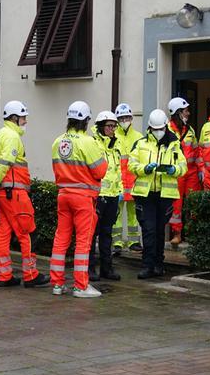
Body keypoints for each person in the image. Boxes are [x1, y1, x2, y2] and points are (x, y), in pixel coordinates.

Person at [0, 100, 47, 288]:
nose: (25, 121)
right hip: (14, 193)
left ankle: (4, 275)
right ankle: (30, 274)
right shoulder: (12, 136)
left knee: (4, 232)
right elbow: (5, 163)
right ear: (14, 118)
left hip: (3, 194)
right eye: (23, 117)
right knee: (27, 232)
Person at [49, 101, 108, 298]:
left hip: (63, 195)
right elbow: (100, 171)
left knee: (61, 239)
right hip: (83, 197)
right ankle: (81, 286)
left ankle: (57, 284)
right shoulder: (87, 142)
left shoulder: (57, 141)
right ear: (85, 121)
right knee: (83, 242)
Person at [131, 109, 187, 279]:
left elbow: (183, 167)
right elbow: (131, 165)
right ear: (149, 128)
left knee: (159, 231)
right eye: (155, 129)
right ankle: (147, 265)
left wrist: (173, 169)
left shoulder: (175, 144)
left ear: (165, 127)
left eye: (160, 129)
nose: (158, 132)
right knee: (148, 230)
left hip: (164, 195)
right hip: (145, 194)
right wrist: (144, 169)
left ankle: (158, 265)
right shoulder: (141, 144)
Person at [89, 111, 122, 281]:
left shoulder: (115, 145)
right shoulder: (94, 144)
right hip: (98, 195)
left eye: (114, 126)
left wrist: (120, 191)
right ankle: (89, 269)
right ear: (101, 126)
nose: (112, 129)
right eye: (109, 126)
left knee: (107, 233)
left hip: (113, 196)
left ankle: (106, 269)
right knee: (92, 233)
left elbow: (118, 171)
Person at [166, 97, 199, 246]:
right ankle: (177, 234)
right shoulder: (167, 130)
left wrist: (201, 169)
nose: (188, 113)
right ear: (178, 113)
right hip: (176, 173)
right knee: (176, 204)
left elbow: (197, 151)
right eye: (186, 111)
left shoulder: (190, 130)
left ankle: (192, 233)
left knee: (193, 202)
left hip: (191, 172)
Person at [112, 103, 142, 252]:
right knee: (116, 214)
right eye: (121, 118)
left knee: (134, 214)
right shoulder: (112, 136)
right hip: (117, 183)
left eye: (127, 117)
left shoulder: (138, 137)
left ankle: (134, 242)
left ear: (131, 118)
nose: (124, 120)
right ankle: (116, 242)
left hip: (134, 182)